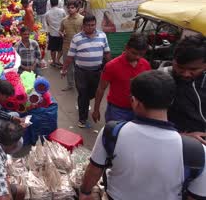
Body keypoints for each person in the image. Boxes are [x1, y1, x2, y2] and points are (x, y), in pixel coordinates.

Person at [79, 70, 206, 200]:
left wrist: (85, 192)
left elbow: (94, 169)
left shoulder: (113, 132)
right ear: (171, 101)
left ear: (134, 101)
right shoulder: (198, 151)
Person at [61, 15, 111, 128]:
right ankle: (82, 118)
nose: (90, 27)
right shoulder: (77, 38)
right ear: (83, 26)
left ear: (95, 24)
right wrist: (64, 69)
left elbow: (107, 53)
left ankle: (84, 103)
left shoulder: (102, 36)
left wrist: (110, 67)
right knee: (83, 94)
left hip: (97, 72)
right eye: (88, 25)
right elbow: (70, 56)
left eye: (92, 25)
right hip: (81, 72)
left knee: (93, 93)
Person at [92, 33, 151, 123]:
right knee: (114, 135)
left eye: (141, 54)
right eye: (134, 53)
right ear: (126, 47)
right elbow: (101, 89)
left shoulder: (146, 64)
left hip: (138, 110)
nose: (137, 57)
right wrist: (96, 110)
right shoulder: (112, 66)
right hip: (117, 111)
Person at [166, 35, 206, 145]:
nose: (186, 74)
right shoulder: (162, 79)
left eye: (193, 69)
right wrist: (183, 137)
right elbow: (147, 121)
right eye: (180, 67)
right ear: (173, 60)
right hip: (170, 144)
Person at [59, 1, 83, 91]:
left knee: (79, 68)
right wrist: (62, 33)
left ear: (77, 8)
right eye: (69, 7)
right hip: (67, 47)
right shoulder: (64, 20)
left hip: (80, 48)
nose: (70, 9)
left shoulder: (82, 19)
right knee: (69, 68)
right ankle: (70, 85)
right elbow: (60, 30)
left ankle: (80, 85)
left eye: (72, 7)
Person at [44, 0, 66, 67]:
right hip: (61, 33)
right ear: (58, 3)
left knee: (53, 49)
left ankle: (53, 61)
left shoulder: (47, 13)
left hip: (52, 33)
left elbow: (47, 23)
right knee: (61, 48)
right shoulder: (62, 11)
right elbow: (65, 20)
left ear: (50, 4)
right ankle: (57, 59)